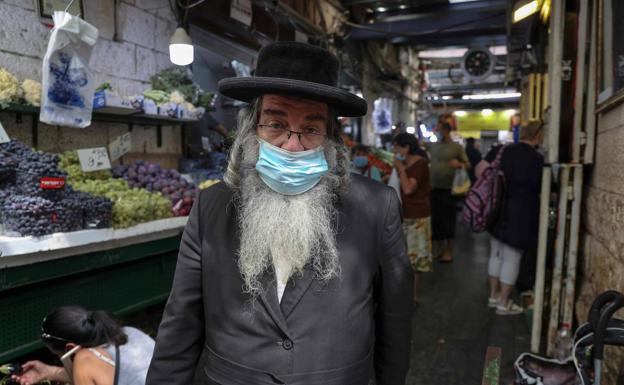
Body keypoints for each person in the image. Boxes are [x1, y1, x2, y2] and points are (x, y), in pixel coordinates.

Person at [146, 42, 413, 385]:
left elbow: (395, 322)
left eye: (311, 129)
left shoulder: (378, 206)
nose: (292, 145)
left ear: (331, 138)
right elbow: (180, 323)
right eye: (275, 123)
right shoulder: (211, 206)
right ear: (250, 129)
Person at [486, 121, 544, 315]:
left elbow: (483, 171)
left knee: (496, 254)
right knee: (512, 258)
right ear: (538, 135)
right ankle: (504, 303)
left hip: (500, 207)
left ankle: (493, 296)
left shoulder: (506, 151)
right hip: (521, 213)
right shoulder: (536, 159)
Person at [12, 306, 155, 385]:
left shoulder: (85, 359)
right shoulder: (129, 332)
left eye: (57, 354)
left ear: (69, 348)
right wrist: (49, 372)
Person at [393, 133, 432, 305]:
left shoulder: (420, 164)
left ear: (406, 147)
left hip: (417, 216)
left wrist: (400, 169)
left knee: (415, 259)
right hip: (404, 214)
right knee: (403, 258)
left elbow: (408, 188)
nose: (395, 150)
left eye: (397, 147)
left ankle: (413, 297)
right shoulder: (407, 163)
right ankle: (402, 294)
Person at [427, 121, 470, 263]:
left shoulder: (456, 147)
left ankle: (449, 251)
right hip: (434, 188)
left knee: (448, 221)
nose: (436, 132)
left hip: (449, 190)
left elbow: (468, 164)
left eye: (438, 130)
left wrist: (460, 165)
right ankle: (439, 249)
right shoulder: (434, 146)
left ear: (446, 130)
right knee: (436, 222)